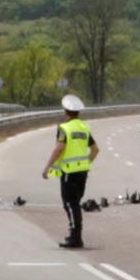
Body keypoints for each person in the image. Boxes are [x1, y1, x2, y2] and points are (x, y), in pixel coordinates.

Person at [45, 95, 97, 248]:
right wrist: (86, 163)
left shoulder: (65, 128)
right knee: (75, 203)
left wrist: (47, 167)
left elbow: (59, 149)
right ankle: (74, 235)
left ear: (65, 112)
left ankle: (76, 237)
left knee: (69, 204)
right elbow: (95, 150)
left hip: (69, 173)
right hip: (82, 172)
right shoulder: (84, 128)